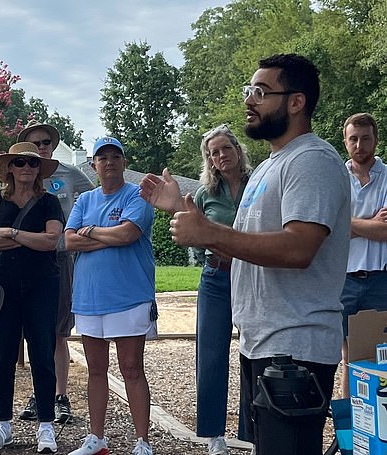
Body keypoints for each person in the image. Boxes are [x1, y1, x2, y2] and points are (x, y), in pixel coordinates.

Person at [140, 54, 350, 453]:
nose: (249, 101)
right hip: (263, 341)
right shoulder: (274, 165)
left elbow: (299, 248)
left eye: (260, 91)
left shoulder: (312, 162)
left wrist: (207, 229)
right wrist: (185, 214)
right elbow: (242, 250)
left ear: (296, 101)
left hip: (295, 346)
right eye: (247, 91)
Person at [143, 125, 251, 455]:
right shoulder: (205, 194)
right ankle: (214, 435)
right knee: (212, 354)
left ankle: (251, 432)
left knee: (254, 354)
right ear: (210, 160)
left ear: (237, 149)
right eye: (213, 153)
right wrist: (175, 205)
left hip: (253, 277)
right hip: (216, 279)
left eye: (225, 148)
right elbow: (191, 227)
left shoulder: (258, 184)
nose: (221, 156)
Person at [65, 137, 156, 455]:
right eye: (102, 158)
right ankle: (97, 438)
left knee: (132, 368)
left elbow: (129, 233)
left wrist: (89, 231)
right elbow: (69, 241)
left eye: (115, 157)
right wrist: (109, 236)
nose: (109, 162)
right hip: (89, 297)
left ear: (124, 162)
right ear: (93, 165)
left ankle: (142, 441)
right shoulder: (84, 199)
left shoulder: (138, 194)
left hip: (129, 295)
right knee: (96, 370)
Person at [0, 142, 64, 454]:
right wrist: (32, 239)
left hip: (42, 287)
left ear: (39, 169)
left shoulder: (49, 202)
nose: (27, 168)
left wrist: (11, 234)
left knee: (43, 356)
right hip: (5, 290)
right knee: (2, 358)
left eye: (32, 163)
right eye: (20, 162)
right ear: (10, 168)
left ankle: (46, 426)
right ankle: (3, 424)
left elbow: (52, 241)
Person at [16, 120, 95, 424]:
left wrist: (84, 231)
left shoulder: (68, 175)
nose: (41, 147)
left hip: (60, 260)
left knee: (59, 332)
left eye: (46, 142)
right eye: (35, 143)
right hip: (27, 260)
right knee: (35, 333)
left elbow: (91, 200)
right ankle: (40, 393)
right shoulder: (20, 174)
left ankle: (60, 396)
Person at [339, 112, 387, 397]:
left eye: (365, 138)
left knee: (381, 356)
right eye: (353, 139)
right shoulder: (336, 179)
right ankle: (348, 436)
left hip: (381, 280)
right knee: (348, 359)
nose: (360, 145)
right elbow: (329, 228)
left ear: (376, 140)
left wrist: (349, 222)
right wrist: (372, 222)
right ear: (345, 142)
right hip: (345, 280)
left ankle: (380, 429)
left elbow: (385, 232)